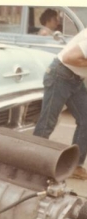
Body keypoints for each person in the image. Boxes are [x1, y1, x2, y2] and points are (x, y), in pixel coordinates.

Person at [33, 28, 87, 180]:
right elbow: (70, 58)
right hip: (61, 75)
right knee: (47, 123)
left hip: (75, 79)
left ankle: (75, 165)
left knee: (86, 119)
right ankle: (32, 165)